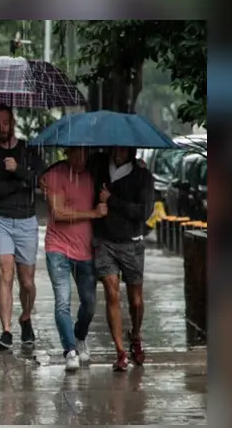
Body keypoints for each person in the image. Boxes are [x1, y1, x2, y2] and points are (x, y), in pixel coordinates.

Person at [0, 104, 45, 350]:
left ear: (13, 122)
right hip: (0, 220)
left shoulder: (29, 151)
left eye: (5, 123)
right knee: (6, 274)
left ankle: (25, 317)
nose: (1, 128)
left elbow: (41, 180)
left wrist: (18, 172)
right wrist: (18, 185)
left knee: (27, 282)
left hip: (27, 220)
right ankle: (6, 331)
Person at [89, 146, 155, 371]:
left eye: (123, 149)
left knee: (135, 300)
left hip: (132, 243)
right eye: (115, 147)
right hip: (104, 241)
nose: (118, 152)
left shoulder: (142, 176)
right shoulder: (99, 166)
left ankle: (135, 335)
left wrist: (112, 200)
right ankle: (120, 352)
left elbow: (144, 212)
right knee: (111, 293)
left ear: (132, 150)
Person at [40, 147, 105, 371]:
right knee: (62, 302)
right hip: (57, 247)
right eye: (76, 153)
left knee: (89, 304)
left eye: (85, 154)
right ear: (67, 152)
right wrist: (93, 214)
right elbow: (57, 212)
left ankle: (79, 337)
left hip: (85, 250)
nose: (81, 158)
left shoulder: (92, 175)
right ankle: (69, 350)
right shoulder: (55, 174)